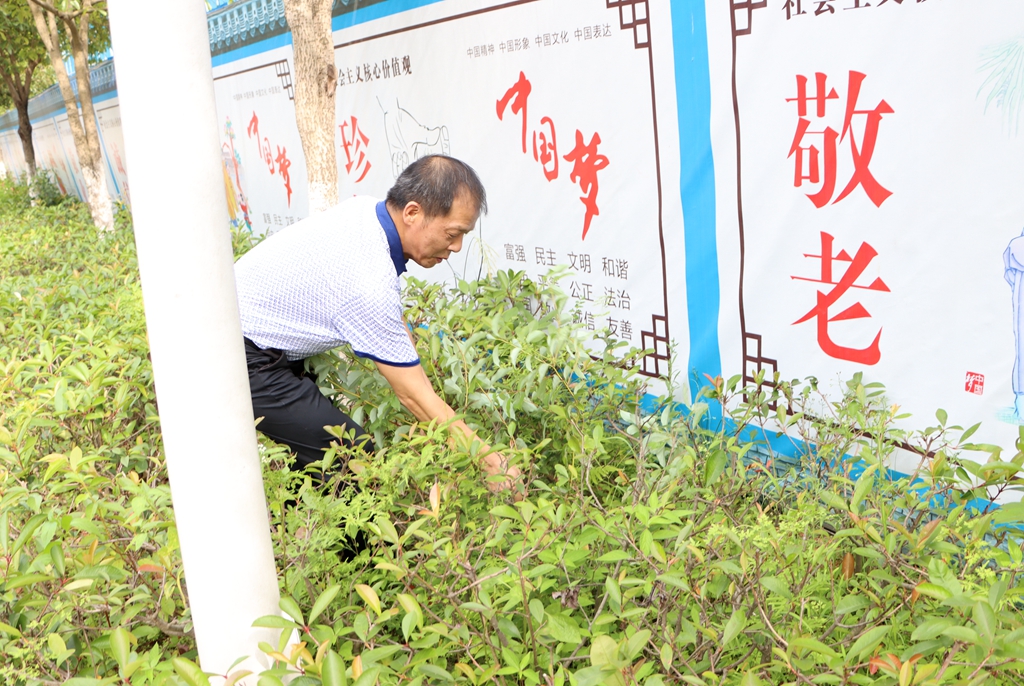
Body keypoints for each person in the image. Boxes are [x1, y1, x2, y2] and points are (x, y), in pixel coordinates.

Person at [235, 155, 519, 492]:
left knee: (318, 453)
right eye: (452, 233)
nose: (456, 247)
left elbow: (397, 336)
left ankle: (303, 517)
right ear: (412, 213)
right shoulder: (368, 281)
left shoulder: (367, 213)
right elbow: (412, 395)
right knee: (353, 460)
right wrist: (490, 463)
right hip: (239, 353)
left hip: (248, 331)